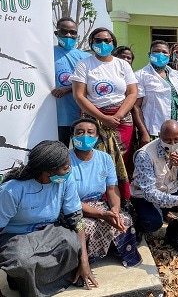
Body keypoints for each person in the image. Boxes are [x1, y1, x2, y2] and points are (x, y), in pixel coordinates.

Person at [0, 141, 97, 296]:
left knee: (73, 244)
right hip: (16, 236)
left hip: (49, 231)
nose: (69, 171)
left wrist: (84, 262)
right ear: (49, 172)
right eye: (65, 168)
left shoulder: (65, 181)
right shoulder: (12, 190)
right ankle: (24, 282)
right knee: (23, 261)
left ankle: (51, 281)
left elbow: (77, 219)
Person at [70, 27, 138, 196]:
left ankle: (123, 201)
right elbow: (79, 96)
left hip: (121, 120)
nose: (103, 43)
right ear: (92, 43)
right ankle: (97, 199)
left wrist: (118, 115)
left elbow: (132, 93)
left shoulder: (122, 64)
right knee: (96, 160)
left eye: (107, 40)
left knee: (122, 160)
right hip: (93, 119)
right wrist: (102, 117)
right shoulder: (84, 64)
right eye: (98, 40)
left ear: (113, 43)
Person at [69, 118, 141, 267]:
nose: (85, 136)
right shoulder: (65, 160)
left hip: (99, 203)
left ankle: (113, 249)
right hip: (75, 208)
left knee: (124, 219)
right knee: (87, 227)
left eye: (90, 133)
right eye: (80, 132)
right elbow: (69, 200)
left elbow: (111, 189)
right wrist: (102, 215)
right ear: (72, 137)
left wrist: (114, 210)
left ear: (96, 137)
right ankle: (85, 262)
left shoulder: (105, 158)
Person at [131, 120, 178, 253]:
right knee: (154, 222)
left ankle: (173, 234)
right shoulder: (145, 155)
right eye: (167, 140)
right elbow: (149, 193)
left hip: (172, 190)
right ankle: (138, 225)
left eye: (176, 139)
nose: (172, 144)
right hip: (144, 196)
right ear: (159, 136)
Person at [134, 40, 178, 148]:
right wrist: (144, 132)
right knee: (158, 162)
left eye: (164, 52)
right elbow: (136, 106)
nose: (161, 54)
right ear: (149, 54)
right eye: (156, 51)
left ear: (169, 55)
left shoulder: (177, 75)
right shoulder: (140, 75)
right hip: (155, 132)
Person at [51, 17, 91, 147]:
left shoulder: (86, 58)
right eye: (64, 31)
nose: (68, 35)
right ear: (57, 33)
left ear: (77, 35)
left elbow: (90, 83)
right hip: (55, 117)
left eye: (72, 32)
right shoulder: (47, 53)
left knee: (81, 151)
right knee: (59, 152)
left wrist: (68, 88)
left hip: (80, 116)